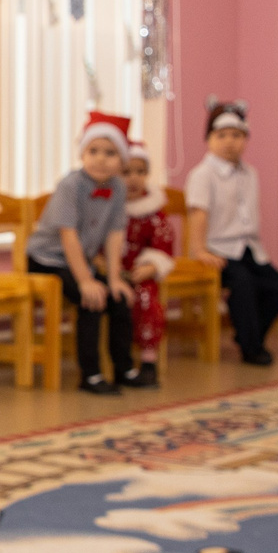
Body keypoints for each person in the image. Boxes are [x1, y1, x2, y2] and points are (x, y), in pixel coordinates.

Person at [26, 111, 139, 393]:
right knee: (92, 298)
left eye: (110, 153)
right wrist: (86, 280)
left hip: (80, 261)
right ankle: (91, 376)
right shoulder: (71, 185)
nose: (101, 158)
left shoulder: (118, 188)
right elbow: (69, 236)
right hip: (47, 259)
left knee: (117, 297)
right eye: (94, 151)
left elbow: (115, 234)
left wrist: (113, 277)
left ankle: (124, 368)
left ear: (122, 160)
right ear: (82, 153)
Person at [186, 99, 278, 366]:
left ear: (246, 139)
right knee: (243, 283)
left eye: (237, 135)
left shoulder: (250, 173)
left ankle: (248, 335)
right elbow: (198, 214)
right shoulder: (203, 174)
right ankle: (252, 348)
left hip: (248, 248)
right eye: (222, 136)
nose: (229, 142)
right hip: (216, 248)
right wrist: (200, 250)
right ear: (209, 139)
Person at [117, 140, 179, 388]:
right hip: (114, 271)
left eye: (140, 172)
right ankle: (118, 359)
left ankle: (148, 360)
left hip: (141, 272)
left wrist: (152, 267)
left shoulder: (153, 212)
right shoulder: (109, 207)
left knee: (145, 299)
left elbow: (163, 246)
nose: (133, 179)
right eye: (126, 172)